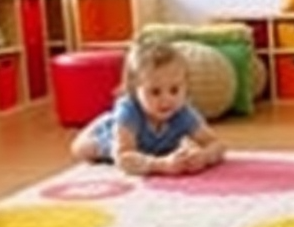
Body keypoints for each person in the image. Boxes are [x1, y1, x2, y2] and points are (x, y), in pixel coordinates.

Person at [70, 38, 226, 177]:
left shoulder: (182, 111)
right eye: (155, 92)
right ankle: (106, 120)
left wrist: (204, 157)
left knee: (175, 149)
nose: (167, 99)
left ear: (185, 85)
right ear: (134, 89)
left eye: (174, 90)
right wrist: (161, 165)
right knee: (81, 149)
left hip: (150, 148)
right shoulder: (130, 110)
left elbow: (217, 144)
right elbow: (123, 156)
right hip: (112, 138)